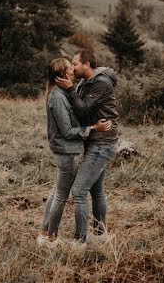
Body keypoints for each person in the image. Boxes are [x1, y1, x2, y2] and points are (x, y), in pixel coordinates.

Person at [37, 57, 111, 245]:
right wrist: (93, 128)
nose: (72, 71)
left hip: (67, 150)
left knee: (57, 192)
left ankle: (45, 233)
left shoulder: (63, 93)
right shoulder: (58, 97)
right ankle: (50, 238)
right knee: (61, 195)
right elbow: (68, 131)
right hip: (67, 152)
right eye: (69, 68)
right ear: (62, 74)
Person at [55, 49, 120, 247]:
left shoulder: (101, 83)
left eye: (75, 64)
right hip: (95, 139)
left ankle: (80, 241)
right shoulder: (86, 82)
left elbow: (83, 108)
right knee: (96, 191)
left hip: (102, 142)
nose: (72, 68)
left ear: (87, 64)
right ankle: (100, 236)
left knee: (79, 190)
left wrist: (70, 90)